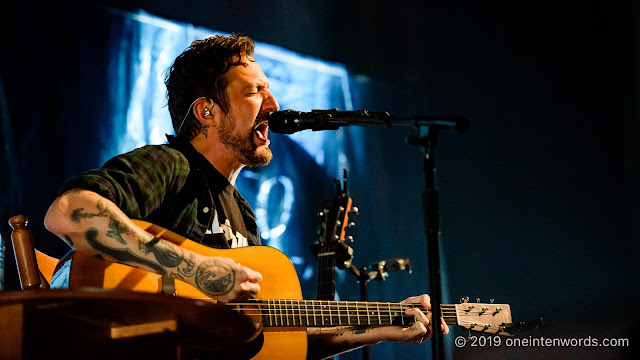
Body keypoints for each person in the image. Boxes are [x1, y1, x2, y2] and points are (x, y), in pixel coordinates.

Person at [44, 34, 448, 359]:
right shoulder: (170, 166)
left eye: (269, 92)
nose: (273, 106)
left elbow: (280, 338)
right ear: (207, 112)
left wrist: (381, 329)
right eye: (255, 92)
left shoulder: (243, 215)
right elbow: (67, 212)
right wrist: (196, 269)